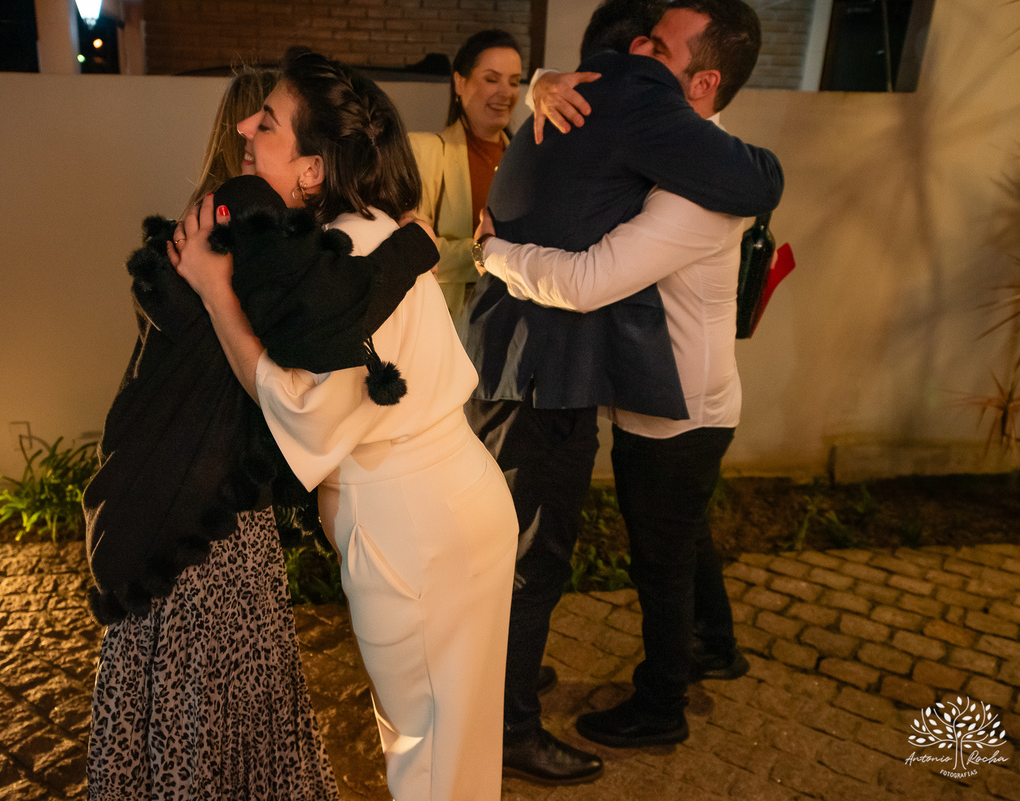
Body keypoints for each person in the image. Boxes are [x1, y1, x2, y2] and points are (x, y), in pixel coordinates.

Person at [171, 48, 519, 801]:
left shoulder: (347, 252)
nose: (244, 128)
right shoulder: (352, 234)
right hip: (442, 501)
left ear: (312, 169)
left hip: (414, 521)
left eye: (267, 122)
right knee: (450, 741)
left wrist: (215, 292)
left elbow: (301, 411)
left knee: (429, 751)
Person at [459, 0, 783, 785]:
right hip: (648, 398)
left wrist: (495, 252)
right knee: (671, 539)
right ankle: (710, 647)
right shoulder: (651, 142)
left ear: (701, 83)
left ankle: (662, 699)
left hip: (683, 406)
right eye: (636, 43)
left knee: (661, 556)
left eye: (657, 50)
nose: (640, 52)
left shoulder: (698, 184)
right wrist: (549, 80)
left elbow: (591, 279)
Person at [86, 68, 342, 801]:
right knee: (218, 718)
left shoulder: (201, 231)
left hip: (168, 506)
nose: (249, 130)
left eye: (265, 122)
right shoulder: (248, 231)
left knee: (179, 711)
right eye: (259, 120)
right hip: (213, 521)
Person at [409, 29, 523, 319]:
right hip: (452, 321)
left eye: (514, 82)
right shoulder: (427, 151)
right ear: (460, 83)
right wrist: (488, 253)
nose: (506, 93)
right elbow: (412, 248)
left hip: (514, 320)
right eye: (491, 79)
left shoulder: (524, 160)